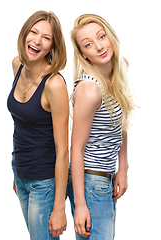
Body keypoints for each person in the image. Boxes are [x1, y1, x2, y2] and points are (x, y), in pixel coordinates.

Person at [68, 14, 135, 239]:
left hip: (106, 176)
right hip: (90, 181)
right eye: (88, 44)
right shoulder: (90, 90)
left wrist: (123, 167)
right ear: (83, 54)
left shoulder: (121, 67)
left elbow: (120, 122)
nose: (99, 46)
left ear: (110, 36)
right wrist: (80, 205)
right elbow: (75, 149)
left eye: (101, 37)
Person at [7, 11, 69, 240]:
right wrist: (17, 173)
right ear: (25, 33)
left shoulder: (53, 84)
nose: (36, 41)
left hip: (44, 182)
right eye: (33, 32)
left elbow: (63, 150)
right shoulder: (17, 66)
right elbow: (22, 124)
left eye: (46, 37)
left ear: (53, 46)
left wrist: (59, 207)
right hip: (21, 174)